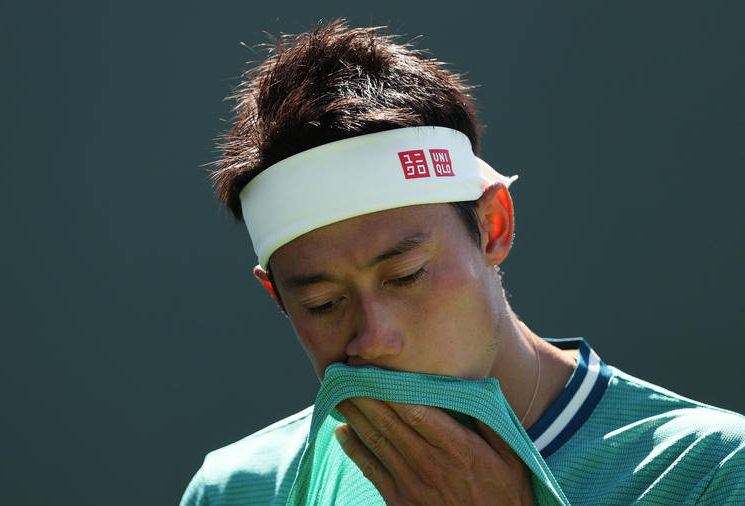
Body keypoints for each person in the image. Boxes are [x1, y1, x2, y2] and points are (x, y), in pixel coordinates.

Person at [182, 20, 745, 505]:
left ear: (493, 226)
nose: (372, 338)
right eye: (322, 304)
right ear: (277, 298)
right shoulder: (240, 490)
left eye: (406, 276)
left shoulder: (710, 475)